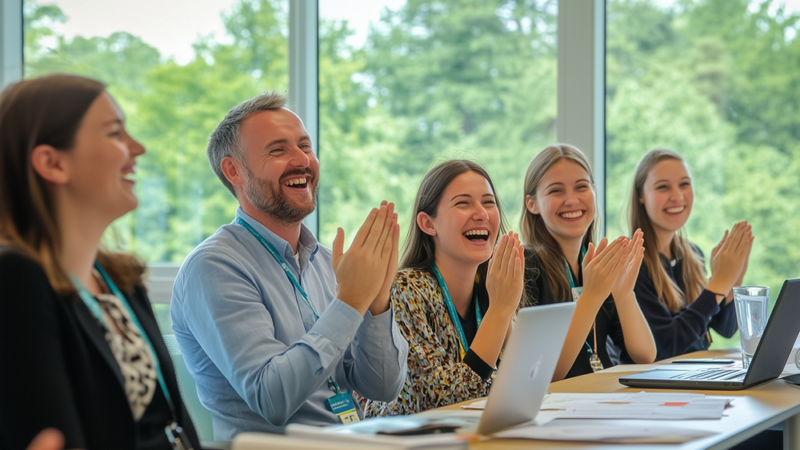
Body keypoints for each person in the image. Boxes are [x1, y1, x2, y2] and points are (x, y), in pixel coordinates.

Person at [170, 92, 408, 438]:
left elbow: (383, 387)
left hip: (352, 442)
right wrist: (351, 302)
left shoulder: (327, 262)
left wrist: (378, 302)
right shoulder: (214, 267)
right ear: (233, 170)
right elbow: (273, 398)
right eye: (278, 150)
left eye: (306, 146)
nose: (302, 160)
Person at [0, 74, 201, 450]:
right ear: (52, 163)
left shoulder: (119, 278)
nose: (137, 148)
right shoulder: (15, 278)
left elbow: (173, 424)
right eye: (114, 133)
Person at [365, 160, 523, 416]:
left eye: (489, 202)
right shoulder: (406, 290)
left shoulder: (492, 286)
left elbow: (525, 385)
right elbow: (440, 398)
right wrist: (500, 311)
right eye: (463, 203)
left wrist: (508, 316)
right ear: (428, 224)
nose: (481, 213)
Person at [520, 144, 656, 380]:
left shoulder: (594, 264)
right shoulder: (524, 265)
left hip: (600, 399)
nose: (571, 200)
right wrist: (591, 297)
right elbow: (543, 374)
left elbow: (644, 356)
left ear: (594, 191)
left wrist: (624, 294)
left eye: (581, 187)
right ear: (532, 204)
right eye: (555, 191)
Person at [628, 149, 752, 361]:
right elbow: (669, 346)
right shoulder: (632, 264)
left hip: (695, 375)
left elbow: (726, 328)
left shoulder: (693, 254)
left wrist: (733, 276)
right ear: (641, 196)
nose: (677, 196)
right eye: (663, 187)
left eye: (684, 184)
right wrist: (719, 282)